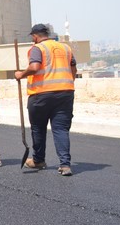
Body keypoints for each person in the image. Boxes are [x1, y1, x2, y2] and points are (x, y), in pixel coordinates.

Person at [15, 23, 77, 176]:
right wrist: (68, 82)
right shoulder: (65, 48)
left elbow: (35, 67)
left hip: (41, 95)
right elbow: (73, 68)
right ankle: (65, 165)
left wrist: (20, 75)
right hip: (65, 93)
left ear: (35, 36)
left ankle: (38, 160)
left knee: (38, 128)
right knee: (61, 129)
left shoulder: (38, 48)